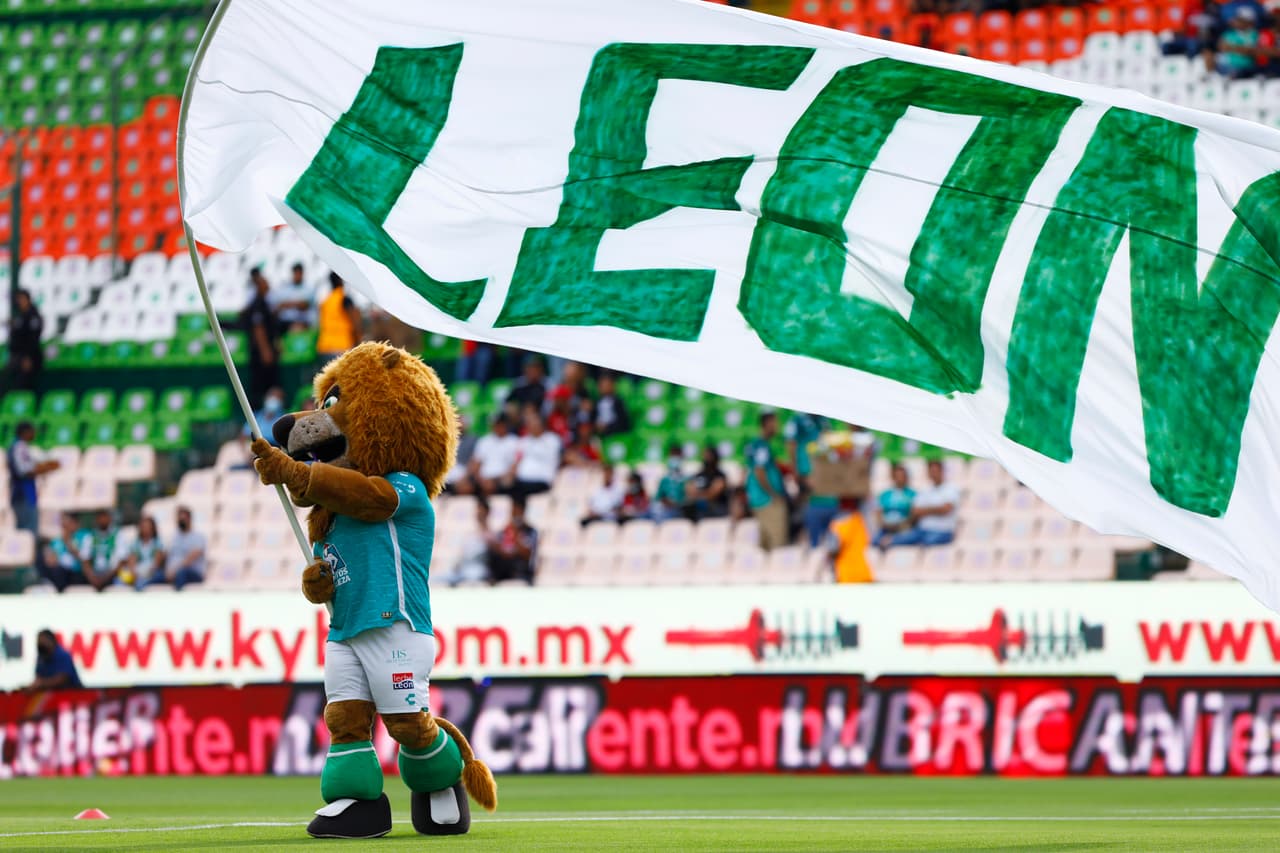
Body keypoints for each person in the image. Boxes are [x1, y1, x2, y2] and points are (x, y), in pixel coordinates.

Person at [7, 421, 60, 543]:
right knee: (28, 532)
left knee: (27, 530)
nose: (34, 434)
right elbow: (25, 470)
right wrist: (47, 468)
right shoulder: (18, 447)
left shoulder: (21, 447)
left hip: (24, 494)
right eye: (32, 431)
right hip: (23, 495)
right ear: (25, 432)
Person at [745, 411, 789, 550]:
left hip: (758, 499)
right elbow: (759, 471)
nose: (777, 426)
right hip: (768, 501)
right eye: (775, 422)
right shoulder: (761, 446)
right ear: (767, 423)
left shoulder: (755, 444)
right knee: (778, 545)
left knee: (765, 546)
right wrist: (773, 494)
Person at [891, 460, 960, 547]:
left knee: (925, 543)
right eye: (931, 471)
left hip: (943, 530)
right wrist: (937, 509)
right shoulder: (925, 489)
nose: (933, 474)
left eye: (935, 471)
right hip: (922, 530)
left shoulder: (951, 488)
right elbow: (915, 511)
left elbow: (946, 509)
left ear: (942, 471)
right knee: (896, 540)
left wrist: (925, 510)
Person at [241, 268, 282, 408]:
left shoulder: (265, 303)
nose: (267, 285)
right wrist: (266, 350)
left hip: (266, 349)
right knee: (262, 386)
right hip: (260, 354)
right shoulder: (258, 304)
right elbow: (259, 328)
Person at [456, 414, 519, 496]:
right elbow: (476, 463)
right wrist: (478, 478)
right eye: (495, 424)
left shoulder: (514, 441)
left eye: (500, 424)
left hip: (502, 477)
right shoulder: (485, 441)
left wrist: (502, 478)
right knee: (464, 486)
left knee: (504, 483)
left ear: (505, 425)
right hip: (484, 478)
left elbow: (515, 464)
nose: (497, 427)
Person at [41, 512, 101, 592]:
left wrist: (68, 543)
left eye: (68, 522)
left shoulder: (85, 536)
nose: (64, 525)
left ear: (75, 523)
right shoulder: (58, 539)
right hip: (61, 573)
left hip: (78, 573)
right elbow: (50, 560)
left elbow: (84, 560)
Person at [152, 505, 206, 590]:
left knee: (181, 574)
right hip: (172, 572)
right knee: (155, 575)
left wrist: (175, 571)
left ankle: (177, 595)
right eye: (179, 519)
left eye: (183, 519)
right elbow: (165, 555)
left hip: (191, 572)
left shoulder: (198, 537)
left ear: (189, 519)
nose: (181, 521)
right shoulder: (173, 537)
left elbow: (190, 559)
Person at [486, 494, 537, 584]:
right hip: (505, 567)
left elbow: (527, 555)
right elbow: (499, 549)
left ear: (523, 511)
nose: (513, 513)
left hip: (521, 569)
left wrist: (516, 534)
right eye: (512, 510)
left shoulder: (531, 531)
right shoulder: (505, 530)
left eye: (516, 510)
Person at [439, 500, 491, 585]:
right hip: (462, 569)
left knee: (471, 579)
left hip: (478, 569)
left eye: (481, 511)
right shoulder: (469, 532)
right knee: (438, 578)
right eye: (477, 510)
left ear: (487, 513)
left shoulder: (491, 534)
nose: (479, 513)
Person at [511, 408, 561, 497]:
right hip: (522, 480)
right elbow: (517, 461)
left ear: (541, 424)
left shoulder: (552, 440)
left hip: (542, 480)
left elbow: (559, 459)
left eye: (533, 422)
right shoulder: (523, 441)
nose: (531, 425)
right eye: (529, 423)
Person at [315, 272, 362, 362]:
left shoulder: (325, 301)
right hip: (342, 347)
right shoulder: (345, 299)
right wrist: (359, 345)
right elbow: (355, 324)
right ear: (341, 280)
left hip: (324, 347)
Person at [7, 288, 44, 391]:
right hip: (17, 357)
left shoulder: (33, 316)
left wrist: (28, 357)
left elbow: (33, 339)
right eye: (18, 299)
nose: (20, 302)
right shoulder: (20, 316)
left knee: (24, 386)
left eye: (22, 299)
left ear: (28, 299)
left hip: (28, 359)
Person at [875, 463, 918, 549]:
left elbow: (914, 514)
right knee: (873, 540)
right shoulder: (885, 494)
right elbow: (878, 513)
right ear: (893, 477)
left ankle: (891, 540)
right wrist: (884, 524)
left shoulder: (912, 494)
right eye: (897, 476)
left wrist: (901, 525)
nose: (900, 478)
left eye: (902, 476)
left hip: (904, 528)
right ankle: (888, 541)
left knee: (912, 537)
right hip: (886, 527)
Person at [118, 515, 165, 589]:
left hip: (151, 572)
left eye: (148, 526)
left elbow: (156, 563)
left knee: (155, 576)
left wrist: (146, 574)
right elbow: (131, 562)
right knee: (120, 578)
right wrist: (134, 573)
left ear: (153, 528)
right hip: (137, 572)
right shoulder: (136, 543)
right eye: (143, 526)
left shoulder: (157, 543)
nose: (145, 529)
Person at [828, 511, 874, 584]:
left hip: (845, 574)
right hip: (863, 573)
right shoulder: (861, 521)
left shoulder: (837, 525)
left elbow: (832, 549)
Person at [685, 445, 730, 521]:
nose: (706, 458)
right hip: (698, 506)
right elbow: (689, 491)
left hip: (716, 507)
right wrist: (704, 494)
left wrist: (699, 494)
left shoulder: (720, 475)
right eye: (705, 456)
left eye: (709, 456)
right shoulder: (698, 475)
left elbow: (713, 494)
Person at [1215, 6, 1261, 76]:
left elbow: (1251, 51)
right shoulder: (1229, 34)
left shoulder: (1254, 34)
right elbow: (1221, 47)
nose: (1235, 22)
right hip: (1230, 66)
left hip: (1249, 67)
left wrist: (1232, 47)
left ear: (1248, 22)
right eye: (1236, 19)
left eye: (1240, 20)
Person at [240, 386, 288, 451]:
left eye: (278, 397)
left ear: (282, 401)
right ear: (265, 398)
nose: (273, 399)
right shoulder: (255, 416)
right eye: (271, 395)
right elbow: (244, 435)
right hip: (254, 450)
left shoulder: (285, 419)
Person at [272, 262, 317, 331]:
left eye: (299, 273)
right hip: (285, 322)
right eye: (296, 273)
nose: (297, 276)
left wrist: (288, 304)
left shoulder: (309, 289)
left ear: (302, 273)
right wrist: (295, 304)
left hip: (302, 322)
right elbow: (280, 305)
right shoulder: (286, 288)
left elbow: (304, 305)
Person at [652, 447, 687, 522]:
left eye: (677, 456)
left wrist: (675, 503)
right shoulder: (664, 480)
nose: (674, 459)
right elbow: (658, 498)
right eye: (672, 456)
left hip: (680, 511)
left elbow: (688, 499)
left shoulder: (687, 479)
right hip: (664, 510)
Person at [86, 509, 119, 588]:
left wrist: (105, 579)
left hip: (112, 575)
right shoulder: (90, 536)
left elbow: (121, 562)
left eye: (105, 517)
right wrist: (92, 577)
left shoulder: (117, 536)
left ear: (110, 519)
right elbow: (85, 560)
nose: (103, 520)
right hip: (94, 575)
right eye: (100, 518)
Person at [594, 371, 631, 436]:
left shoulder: (618, 402)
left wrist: (607, 427)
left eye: (608, 385)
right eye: (603, 385)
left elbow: (624, 423)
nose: (605, 388)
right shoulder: (597, 402)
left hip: (616, 436)